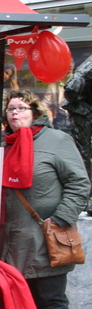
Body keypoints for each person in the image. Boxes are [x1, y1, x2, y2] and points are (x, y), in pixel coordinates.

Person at [0, 90, 90, 309]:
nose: (15, 113)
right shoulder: (5, 146)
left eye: (21, 108)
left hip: (46, 241)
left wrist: (61, 219)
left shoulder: (58, 141)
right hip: (13, 243)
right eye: (10, 109)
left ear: (35, 112)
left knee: (51, 306)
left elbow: (80, 183)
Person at [64, 56, 92, 215]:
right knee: (83, 154)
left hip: (85, 110)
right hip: (83, 113)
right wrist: (83, 109)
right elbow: (71, 87)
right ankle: (84, 197)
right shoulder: (89, 66)